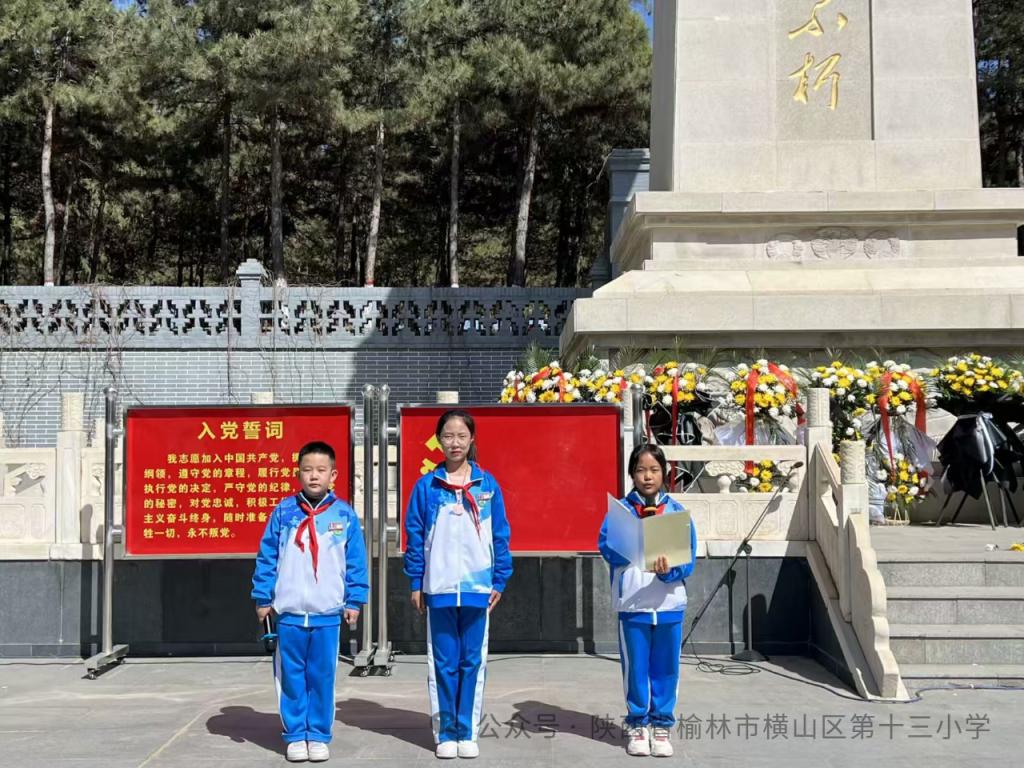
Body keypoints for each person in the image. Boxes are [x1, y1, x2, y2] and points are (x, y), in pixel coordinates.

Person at [403, 409, 513, 760]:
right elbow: (414, 536)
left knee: (472, 662)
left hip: (478, 590)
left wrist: (500, 578)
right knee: (443, 663)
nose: (455, 443)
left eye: (461, 436)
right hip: (439, 589)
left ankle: (467, 730)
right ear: (439, 440)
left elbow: (500, 535)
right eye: (448, 436)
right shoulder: (427, 487)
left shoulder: (487, 485)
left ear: (471, 439)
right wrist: (417, 581)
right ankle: (446, 731)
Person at [252, 440, 368, 763]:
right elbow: (267, 557)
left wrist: (354, 600)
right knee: (291, 676)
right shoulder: (283, 512)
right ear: (298, 474)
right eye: (307, 470)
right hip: (289, 614)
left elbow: (356, 563)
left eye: (321, 470)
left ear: (333, 475)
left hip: (327, 614)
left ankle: (317, 734)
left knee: (322, 676)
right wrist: (263, 597)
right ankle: (294, 734)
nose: (314, 476)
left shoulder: (344, 515)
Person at [598, 443, 698, 758]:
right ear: (631, 474)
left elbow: (689, 560)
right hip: (633, 605)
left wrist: (670, 571)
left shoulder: (676, 511)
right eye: (641, 470)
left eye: (654, 469)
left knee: (667, 669)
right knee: (636, 669)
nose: (647, 476)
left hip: (669, 605)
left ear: (664, 473)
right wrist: (630, 546)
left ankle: (662, 725)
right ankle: (638, 724)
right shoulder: (620, 512)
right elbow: (605, 546)